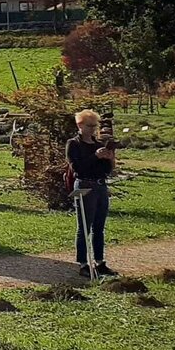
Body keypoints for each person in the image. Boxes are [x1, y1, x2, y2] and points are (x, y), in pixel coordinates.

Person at [67, 108, 117, 277]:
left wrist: (109, 158)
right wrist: (95, 156)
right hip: (85, 185)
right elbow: (78, 168)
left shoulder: (98, 144)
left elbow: (106, 171)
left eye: (95, 126)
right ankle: (83, 263)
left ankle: (100, 262)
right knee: (84, 226)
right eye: (89, 126)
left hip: (100, 186)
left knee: (99, 227)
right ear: (80, 125)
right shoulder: (74, 144)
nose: (93, 129)